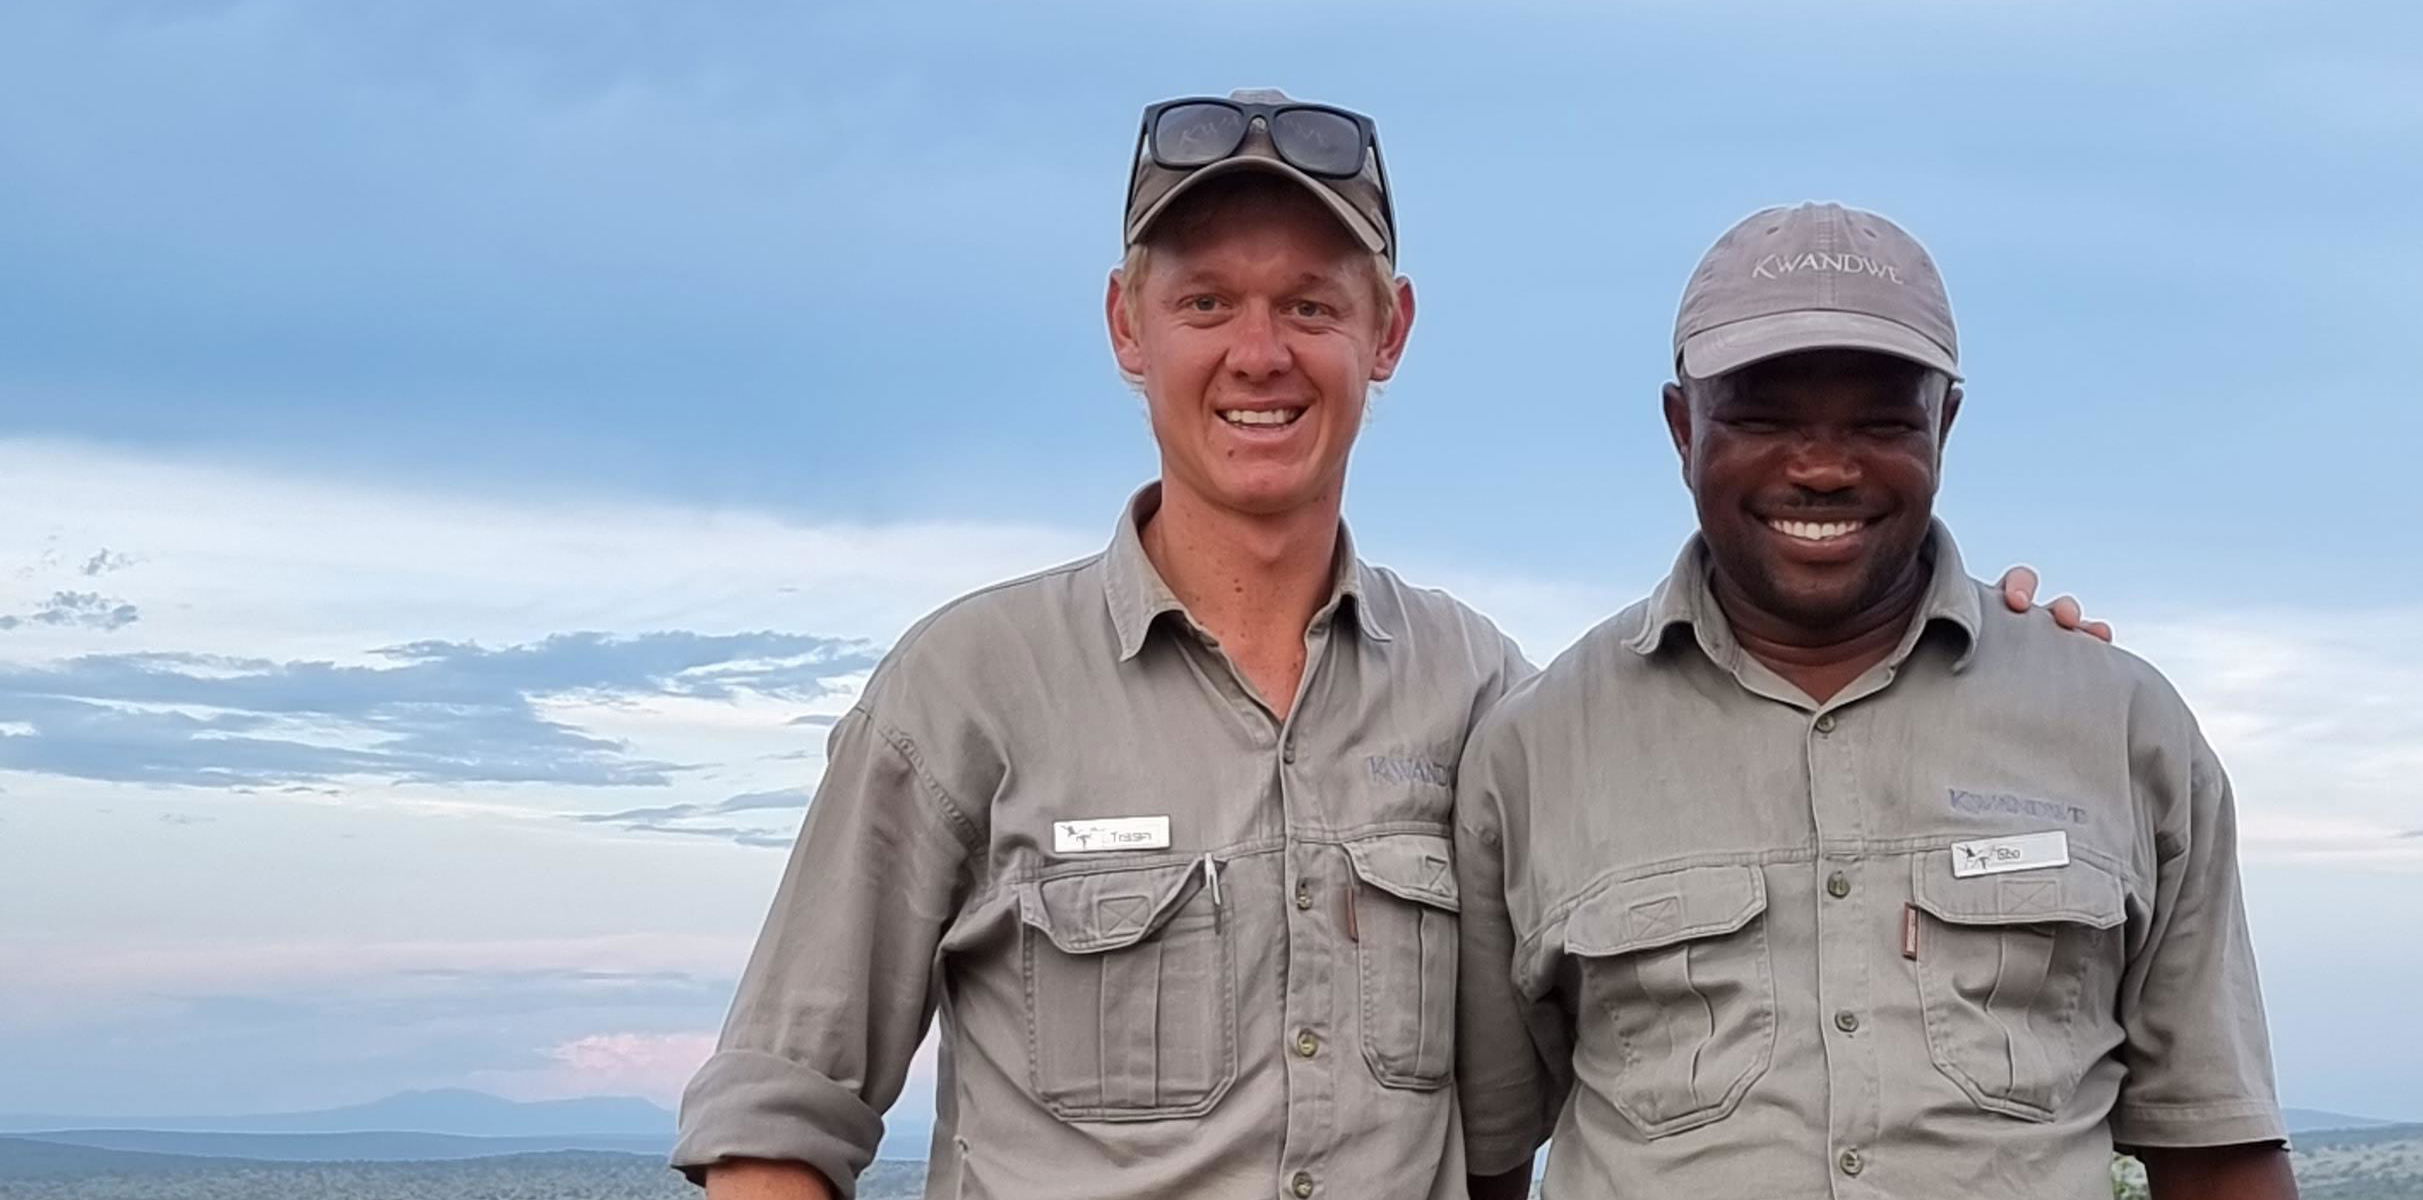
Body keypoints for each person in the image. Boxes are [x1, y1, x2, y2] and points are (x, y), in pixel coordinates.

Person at [670, 92, 2107, 1200]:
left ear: (1389, 333)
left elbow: (1696, 848)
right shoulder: (966, 687)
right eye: (1205, 302)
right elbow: (782, 1117)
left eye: (1311, 305)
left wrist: (1996, 667)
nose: (1259, 352)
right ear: (1127, 326)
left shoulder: (1489, 694)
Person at [1453, 204, 2295, 1200]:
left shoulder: (2120, 726)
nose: (1821, 466)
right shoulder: (1537, 751)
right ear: (1683, 429)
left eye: (1882, 420)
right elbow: (1485, 1157)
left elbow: (2218, 1151)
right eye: (1763, 419)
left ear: (1946, 423)